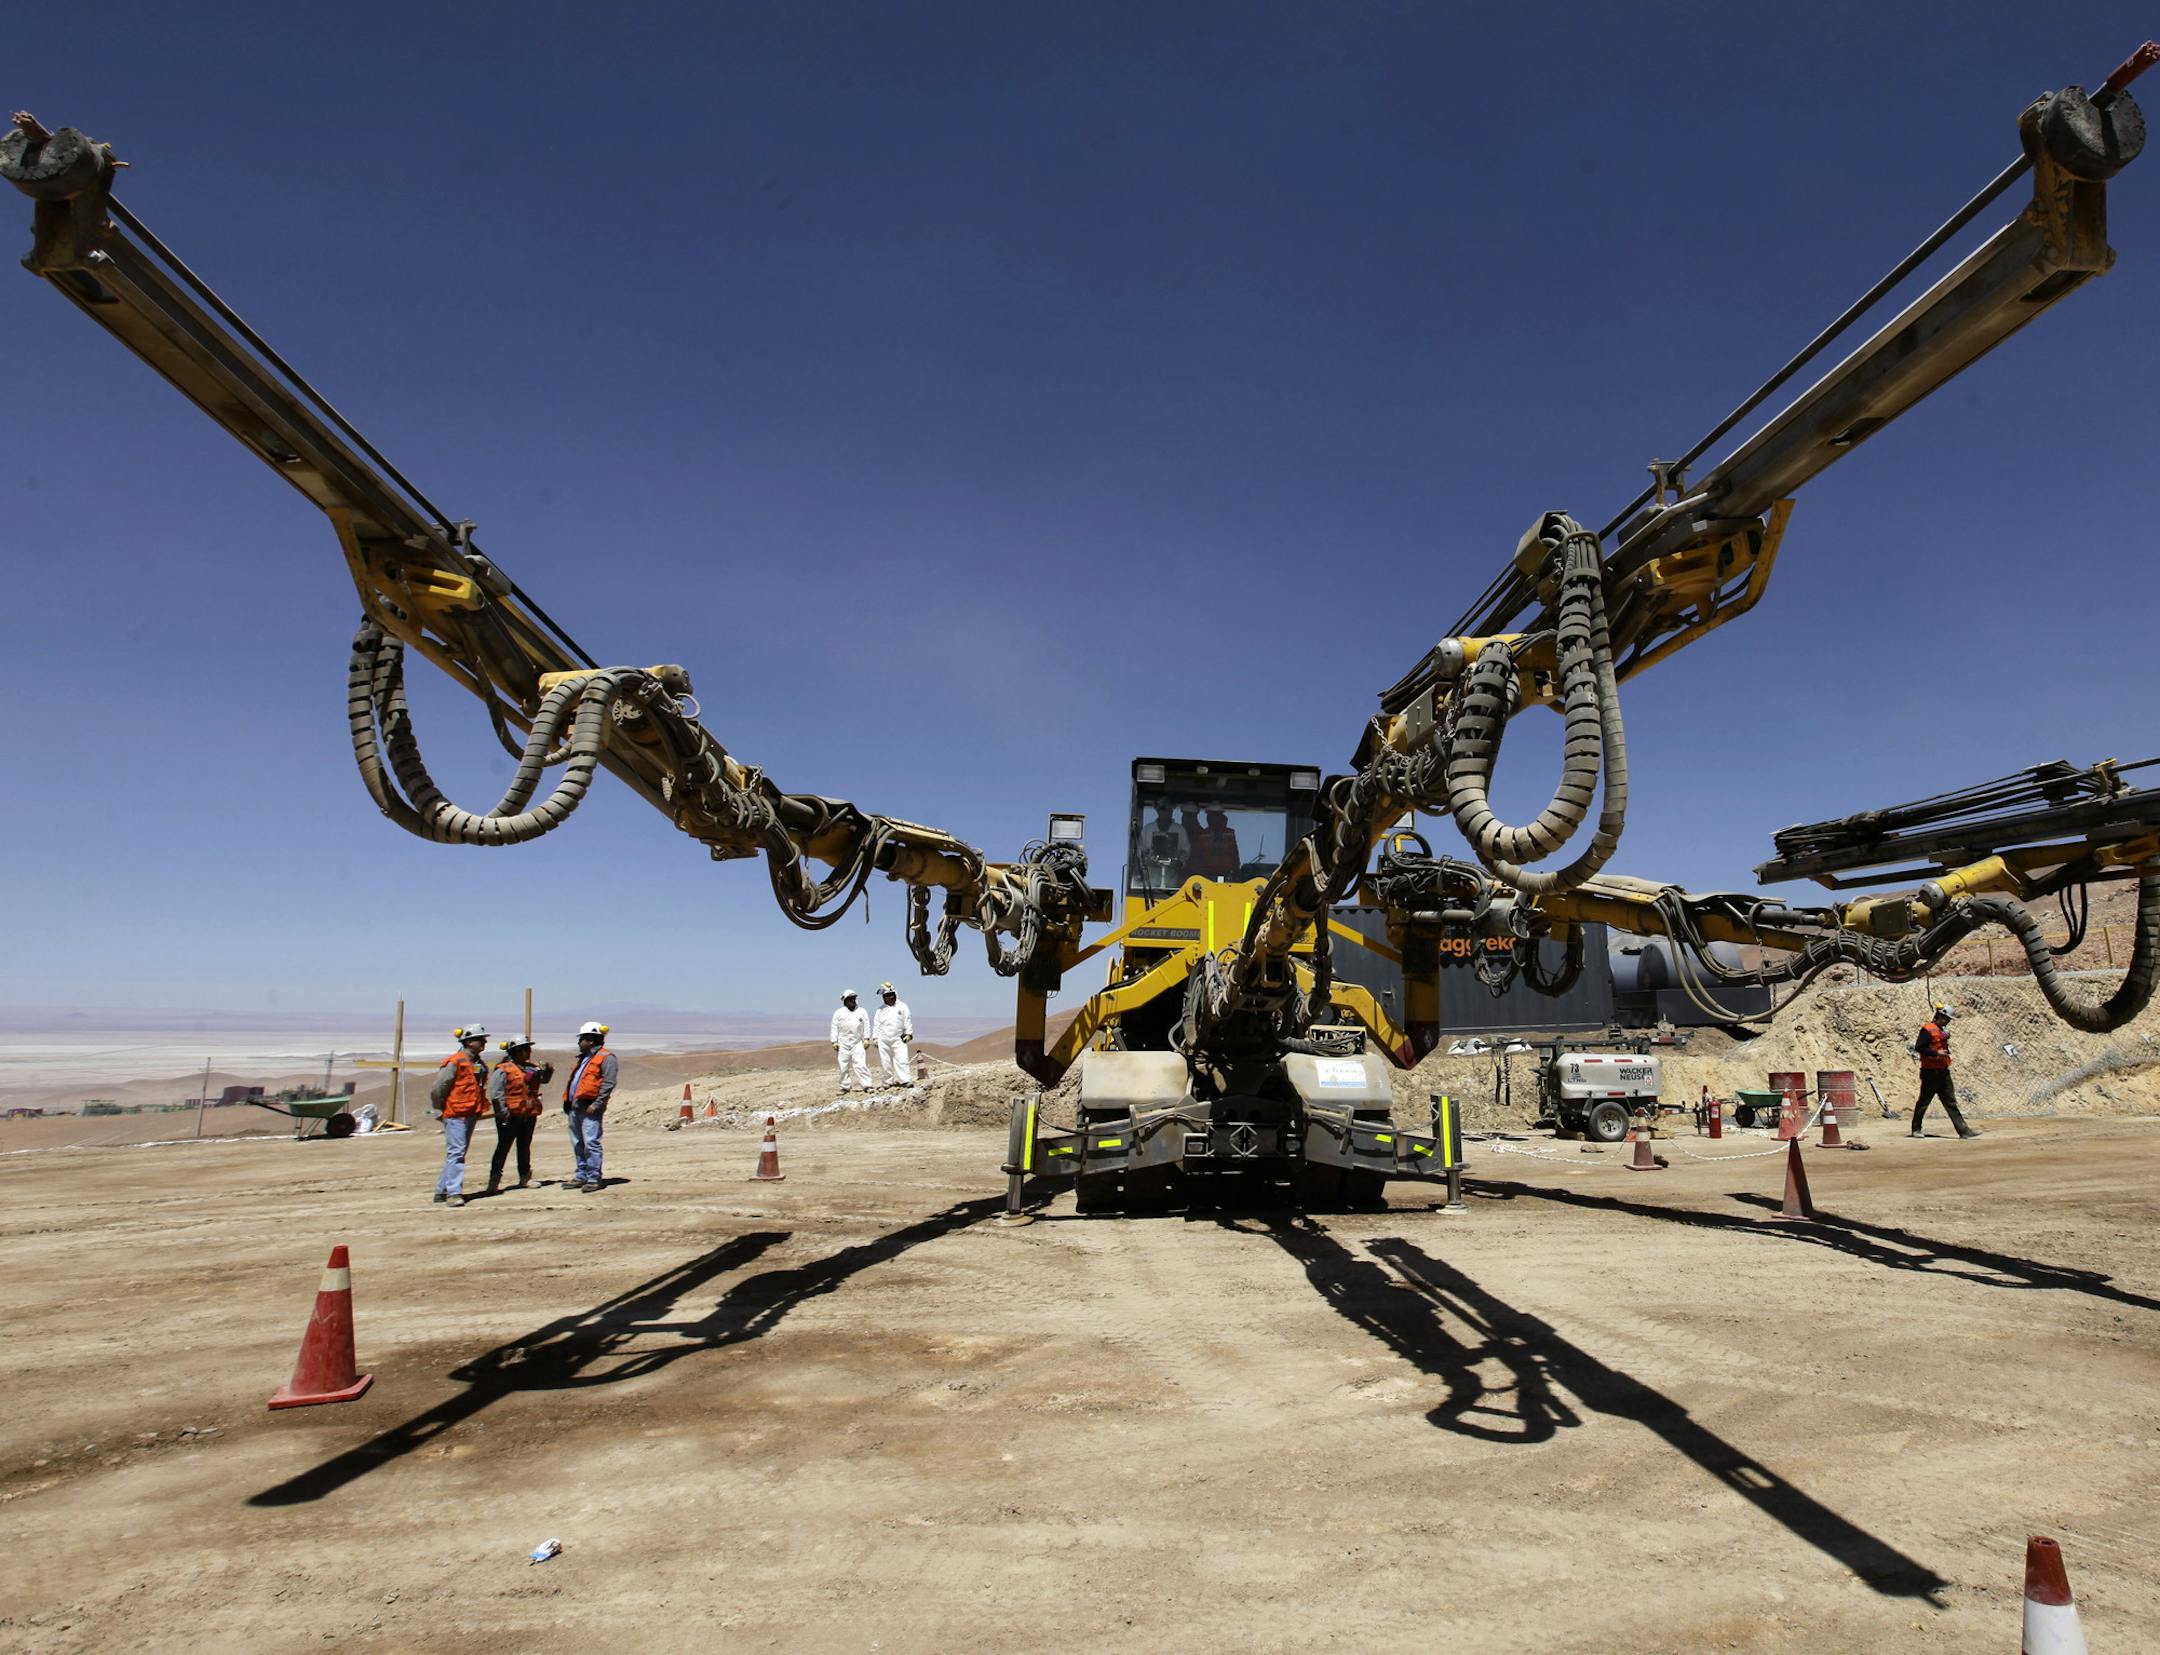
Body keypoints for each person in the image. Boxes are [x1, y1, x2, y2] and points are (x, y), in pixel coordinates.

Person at [430, 1025, 490, 1207]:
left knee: (457, 1152)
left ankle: (441, 1190)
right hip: (455, 1114)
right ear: (469, 1042)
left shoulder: (479, 1064)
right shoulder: (455, 1062)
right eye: (481, 1039)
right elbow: (438, 1088)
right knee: (456, 1153)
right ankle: (453, 1193)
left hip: (470, 1113)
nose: (484, 1042)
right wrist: (439, 1110)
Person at [486, 1036, 551, 1193]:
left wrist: (548, 1072)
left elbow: (543, 1080)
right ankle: (494, 1180)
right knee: (503, 1147)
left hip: (528, 1114)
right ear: (517, 1051)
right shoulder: (503, 1069)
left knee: (524, 1146)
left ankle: (525, 1177)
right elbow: (496, 1093)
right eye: (525, 1049)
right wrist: (503, 1113)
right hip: (510, 1116)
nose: (528, 1052)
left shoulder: (531, 1068)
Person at [1910, 1003, 1981, 1140]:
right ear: (1941, 1016)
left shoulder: (1941, 1031)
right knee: (1924, 1101)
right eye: (1947, 1019)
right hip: (1930, 1073)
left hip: (1943, 1072)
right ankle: (1916, 1129)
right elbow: (1920, 1047)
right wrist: (1936, 1053)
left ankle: (1963, 1130)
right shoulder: (1927, 1029)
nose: (1948, 1022)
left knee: (1950, 1102)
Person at [562, 1021, 617, 1191]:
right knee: (578, 1142)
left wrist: (597, 1103)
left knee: (591, 1142)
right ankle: (581, 1175)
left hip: (590, 1108)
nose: (579, 1043)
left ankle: (594, 1177)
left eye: (582, 1039)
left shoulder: (606, 1058)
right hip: (575, 1107)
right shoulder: (584, 1059)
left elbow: (608, 1083)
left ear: (591, 1040)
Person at [873, 980, 915, 1087]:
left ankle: (905, 1080)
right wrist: (875, 1038)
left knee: (902, 1059)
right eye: (885, 996)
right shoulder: (880, 1010)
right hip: (883, 1039)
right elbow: (877, 1024)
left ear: (893, 994)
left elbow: (907, 1020)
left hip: (899, 1038)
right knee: (885, 1062)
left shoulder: (902, 1006)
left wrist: (909, 1033)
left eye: (889, 995)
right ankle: (887, 1082)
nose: (888, 998)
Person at [831, 989, 873, 1092]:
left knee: (860, 1064)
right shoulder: (838, 1013)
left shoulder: (862, 1012)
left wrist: (867, 1038)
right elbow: (834, 1027)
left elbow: (866, 1025)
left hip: (857, 1043)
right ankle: (845, 1087)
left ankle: (867, 1085)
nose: (852, 1001)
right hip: (843, 1044)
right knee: (843, 1066)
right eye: (849, 999)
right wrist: (834, 1041)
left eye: (853, 998)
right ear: (845, 1001)